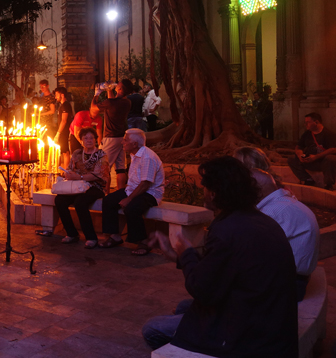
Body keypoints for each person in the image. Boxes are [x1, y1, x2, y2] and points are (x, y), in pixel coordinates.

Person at [142, 157, 297, 356]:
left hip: (252, 334)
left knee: (152, 328)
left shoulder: (227, 230)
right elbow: (223, 269)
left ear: (214, 194)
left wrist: (186, 251)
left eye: (204, 187)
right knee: (183, 307)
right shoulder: (258, 220)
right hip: (266, 315)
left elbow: (203, 290)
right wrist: (177, 256)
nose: (202, 192)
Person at [234, 146, 319, 301]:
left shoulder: (273, 211)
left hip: (287, 283)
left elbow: (248, 253)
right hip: (289, 277)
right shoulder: (277, 197)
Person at [100, 128, 164, 255]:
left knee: (131, 208)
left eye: (125, 140)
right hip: (133, 189)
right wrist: (125, 193)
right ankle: (115, 236)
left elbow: (145, 184)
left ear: (135, 144)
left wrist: (128, 199)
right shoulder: (134, 154)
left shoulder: (147, 157)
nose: (122, 142)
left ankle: (143, 242)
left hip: (150, 193)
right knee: (108, 201)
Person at [54, 127, 109, 248]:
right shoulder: (77, 154)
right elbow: (69, 169)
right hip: (77, 186)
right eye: (86, 138)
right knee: (59, 200)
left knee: (80, 202)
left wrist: (79, 176)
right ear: (81, 141)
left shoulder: (101, 155)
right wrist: (67, 173)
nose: (89, 140)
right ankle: (71, 233)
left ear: (95, 140)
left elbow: (99, 175)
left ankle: (91, 237)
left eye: (91, 138)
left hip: (96, 186)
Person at [90, 79, 132, 191]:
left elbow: (93, 109)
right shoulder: (127, 102)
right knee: (120, 169)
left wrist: (96, 94)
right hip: (122, 137)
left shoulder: (111, 103)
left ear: (120, 89)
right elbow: (112, 101)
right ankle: (120, 192)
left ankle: (105, 193)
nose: (116, 84)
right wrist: (109, 90)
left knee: (104, 167)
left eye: (118, 84)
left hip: (110, 138)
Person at [288, 112, 336, 189]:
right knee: (291, 159)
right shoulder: (307, 134)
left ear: (316, 122)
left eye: (308, 122)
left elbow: (333, 149)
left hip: (323, 162)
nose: (305, 124)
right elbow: (299, 146)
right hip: (310, 161)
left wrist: (316, 157)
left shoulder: (328, 134)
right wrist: (300, 155)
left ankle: (329, 184)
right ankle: (307, 179)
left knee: (331, 159)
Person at [53, 87, 74, 169]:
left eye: (57, 95)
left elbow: (64, 121)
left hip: (65, 132)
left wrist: (58, 133)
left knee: (65, 152)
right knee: (62, 151)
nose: (55, 97)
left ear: (62, 95)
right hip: (63, 132)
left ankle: (66, 170)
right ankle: (60, 169)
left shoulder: (65, 105)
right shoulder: (62, 105)